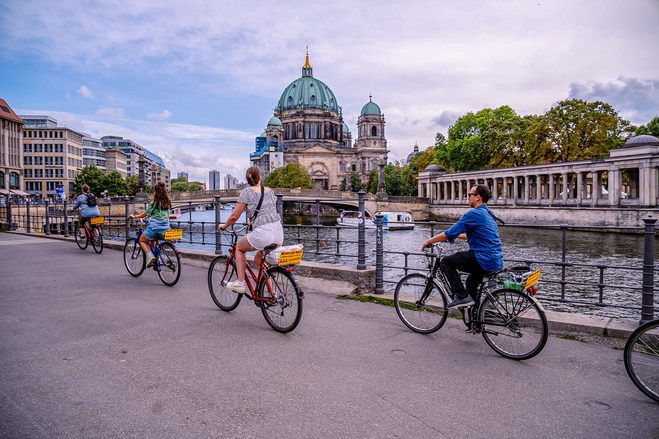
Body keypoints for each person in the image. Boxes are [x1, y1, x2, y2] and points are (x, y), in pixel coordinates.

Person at [421, 184, 503, 308]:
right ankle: (476, 318)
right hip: (495, 260)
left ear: (478, 197)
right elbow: (479, 235)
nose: (468, 197)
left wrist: (429, 241)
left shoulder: (473, 214)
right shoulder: (489, 213)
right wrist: (458, 235)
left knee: (446, 262)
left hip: (482, 259)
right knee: (470, 285)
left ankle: (461, 296)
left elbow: (449, 233)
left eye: (470, 195)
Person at [218, 166, 283, 293]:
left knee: (240, 249)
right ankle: (272, 294)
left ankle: (241, 283)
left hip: (263, 234)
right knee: (258, 259)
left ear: (247, 178)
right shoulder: (269, 191)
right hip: (279, 233)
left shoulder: (247, 192)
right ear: (260, 178)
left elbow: (234, 216)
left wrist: (224, 226)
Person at [128, 181, 172, 268]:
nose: (153, 193)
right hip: (166, 228)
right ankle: (155, 260)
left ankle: (150, 256)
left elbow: (145, 214)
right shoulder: (168, 202)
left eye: (154, 191)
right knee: (152, 240)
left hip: (155, 227)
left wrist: (135, 216)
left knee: (142, 240)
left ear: (156, 192)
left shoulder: (154, 203)